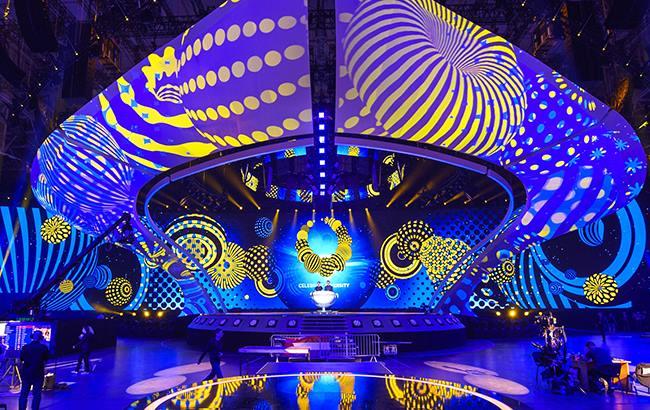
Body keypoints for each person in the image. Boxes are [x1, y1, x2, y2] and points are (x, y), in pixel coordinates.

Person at [19, 330, 49, 410]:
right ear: (41, 338)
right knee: (37, 395)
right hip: (38, 373)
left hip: (26, 373)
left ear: (32, 337)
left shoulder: (25, 347)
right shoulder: (44, 348)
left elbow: (21, 359)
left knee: (24, 394)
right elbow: (46, 359)